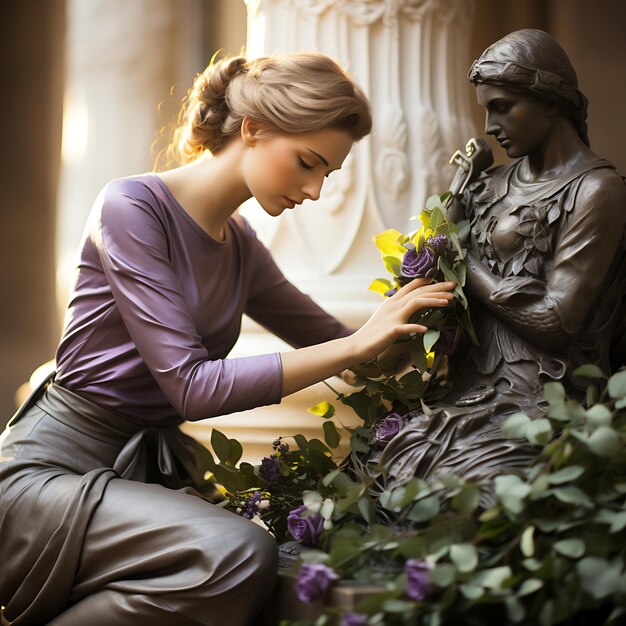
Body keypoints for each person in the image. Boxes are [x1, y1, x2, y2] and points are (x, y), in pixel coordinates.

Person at [0, 52, 456, 626]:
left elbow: (348, 350)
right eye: (308, 162)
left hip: (140, 478)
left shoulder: (240, 247)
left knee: (279, 562)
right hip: (50, 478)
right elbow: (194, 389)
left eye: (328, 175)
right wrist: (357, 346)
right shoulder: (131, 208)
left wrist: (430, 308)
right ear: (254, 128)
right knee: (239, 553)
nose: (315, 190)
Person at [353, 29, 626, 499]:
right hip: (467, 390)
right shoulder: (490, 181)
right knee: (374, 464)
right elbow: (426, 271)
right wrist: (460, 186)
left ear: (551, 101)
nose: (489, 125)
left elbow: (555, 319)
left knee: (457, 486)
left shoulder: (596, 191)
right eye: (486, 109)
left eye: (502, 107)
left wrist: (463, 264)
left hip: (543, 398)